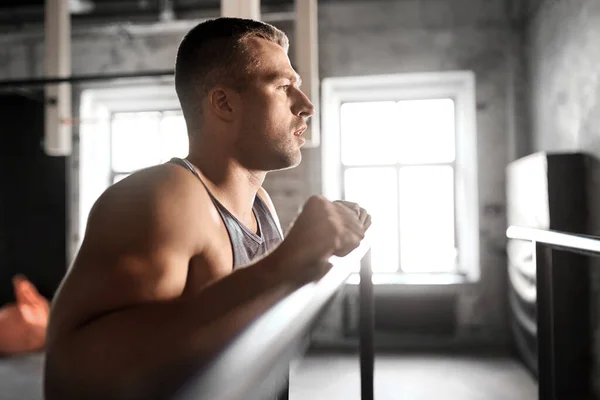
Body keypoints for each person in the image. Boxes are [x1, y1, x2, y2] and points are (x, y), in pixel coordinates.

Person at [44, 17, 371, 400]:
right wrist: (285, 263)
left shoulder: (259, 205)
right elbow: (77, 374)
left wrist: (318, 251)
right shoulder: (166, 196)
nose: (306, 106)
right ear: (224, 103)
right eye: (284, 87)